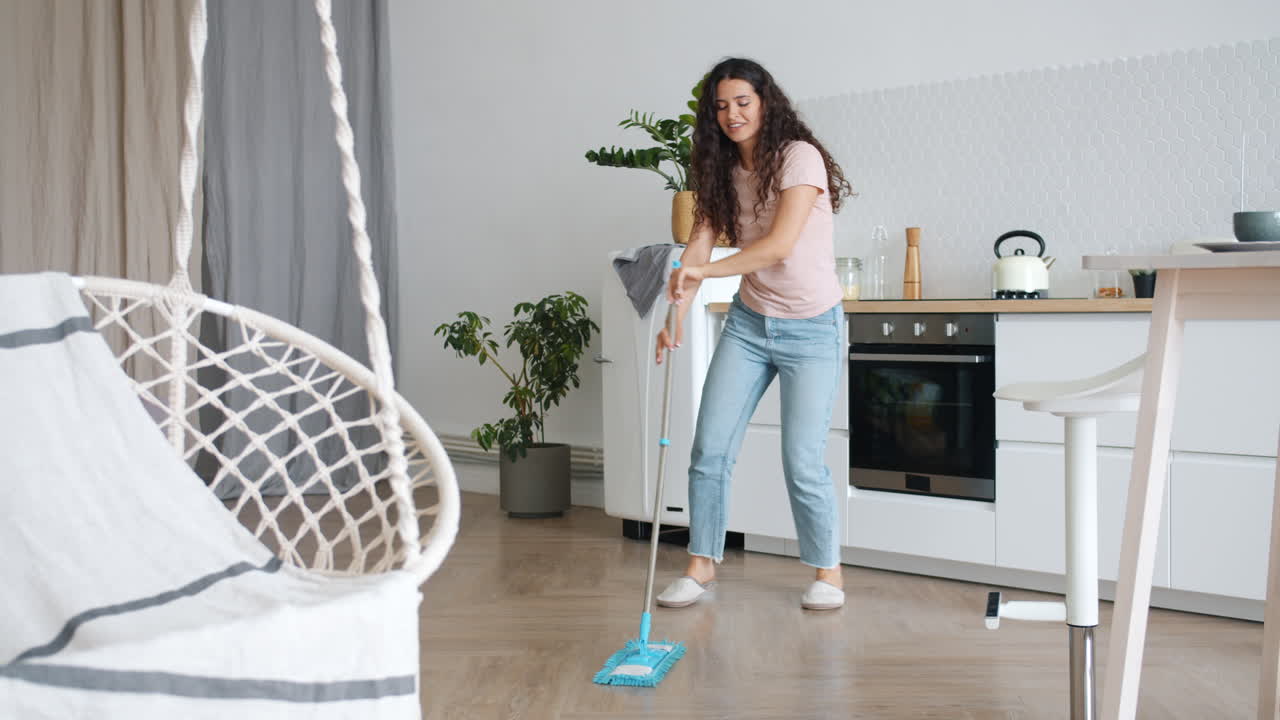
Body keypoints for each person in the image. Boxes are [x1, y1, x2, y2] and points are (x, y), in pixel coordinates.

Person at [654, 57, 854, 611]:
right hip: (749, 324)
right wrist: (675, 315)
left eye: (742, 101)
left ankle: (827, 573)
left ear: (765, 102)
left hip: (812, 327)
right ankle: (701, 565)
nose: (732, 114)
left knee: (802, 458)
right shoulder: (719, 169)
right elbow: (699, 244)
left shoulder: (799, 157)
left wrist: (706, 272)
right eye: (721, 106)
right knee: (710, 448)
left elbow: (779, 245)